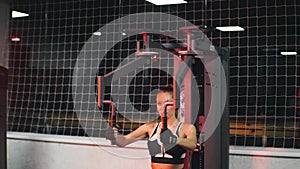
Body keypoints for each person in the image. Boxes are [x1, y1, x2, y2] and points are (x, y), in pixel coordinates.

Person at [106, 86, 197, 169]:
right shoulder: (150, 128)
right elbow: (124, 141)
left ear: (175, 104)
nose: (162, 108)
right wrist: (114, 136)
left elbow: (192, 145)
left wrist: (174, 140)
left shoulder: (187, 128)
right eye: (159, 103)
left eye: (166, 103)